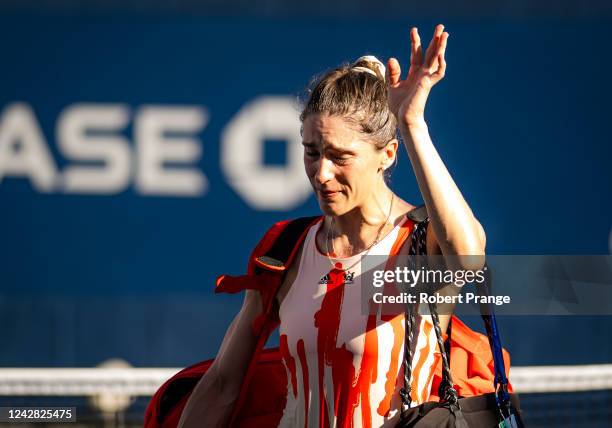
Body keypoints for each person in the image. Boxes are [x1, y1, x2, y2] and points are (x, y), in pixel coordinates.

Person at [178, 24, 486, 428]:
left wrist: (411, 124)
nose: (321, 173)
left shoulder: (420, 243)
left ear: (388, 155)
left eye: (339, 156)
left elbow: (469, 259)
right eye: (311, 152)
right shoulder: (284, 247)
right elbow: (222, 384)